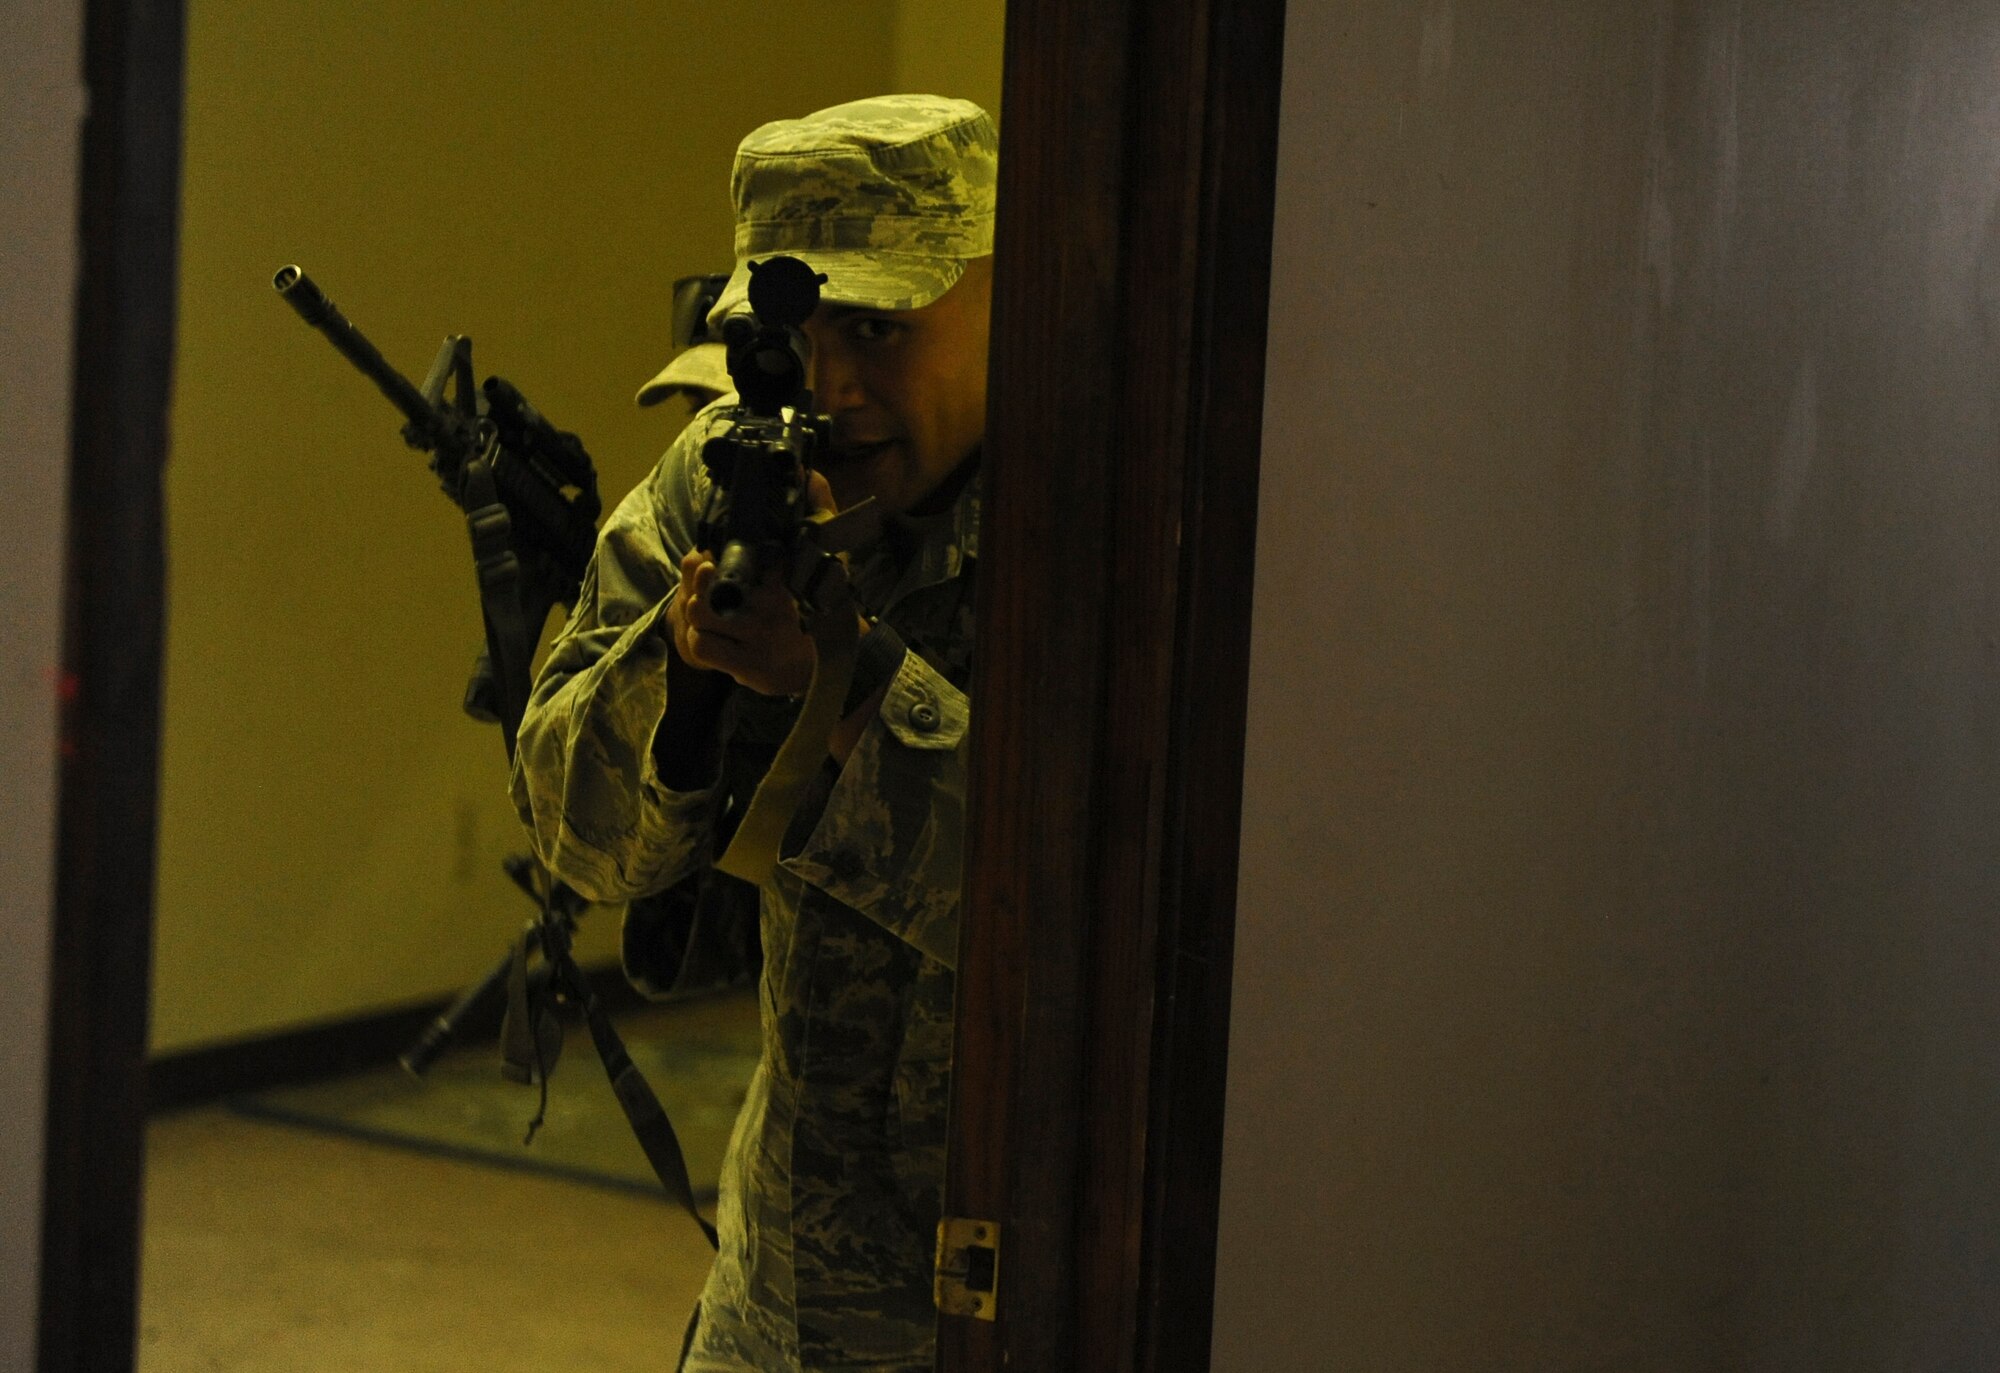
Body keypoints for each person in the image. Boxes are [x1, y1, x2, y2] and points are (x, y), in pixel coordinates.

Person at [510, 94, 996, 1373]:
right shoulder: (731, 472)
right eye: (788, 334)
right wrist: (683, 681)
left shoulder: (1113, 498)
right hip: (780, 1278)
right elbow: (574, 838)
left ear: (1001, 296)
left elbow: (1075, 915)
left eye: (878, 328)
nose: (831, 387)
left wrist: (847, 684)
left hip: (1009, 1279)